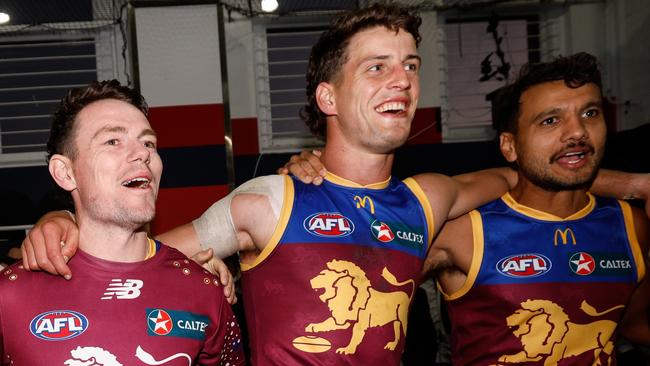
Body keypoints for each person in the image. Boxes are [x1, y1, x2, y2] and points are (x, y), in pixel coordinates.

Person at [19, 6, 650, 366]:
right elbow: (140, 254)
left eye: (409, 66)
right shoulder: (272, 198)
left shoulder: (429, 199)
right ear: (328, 96)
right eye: (376, 67)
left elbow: (524, 173)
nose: (401, 80)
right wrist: (64, 222)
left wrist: (632, 183)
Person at [291, 53, 650, 365]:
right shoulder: (464, 230)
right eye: (550, 121)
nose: (577, 132)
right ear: (510, 146)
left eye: (590, 113)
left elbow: (634, 326)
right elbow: (346, 265)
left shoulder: (631, 225)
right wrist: (311, 186)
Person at [0, 80, 244, 365]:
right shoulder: (10, 295)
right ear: (65, 173)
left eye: (148, 142)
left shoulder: (203, 289)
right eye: (113, 141)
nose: (143, 153)